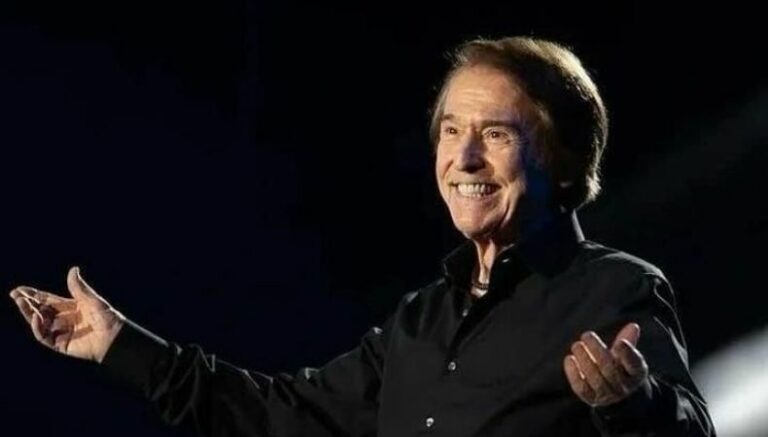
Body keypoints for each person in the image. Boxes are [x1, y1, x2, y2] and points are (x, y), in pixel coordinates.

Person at [9, 36, 716, 436]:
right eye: (451, 131)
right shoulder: (419, 321)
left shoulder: (613, 289)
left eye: (496, 134)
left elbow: (691, 428)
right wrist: (122, 345)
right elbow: (279, 414)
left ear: (562, 158)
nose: (464, 159)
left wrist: (635, 403)